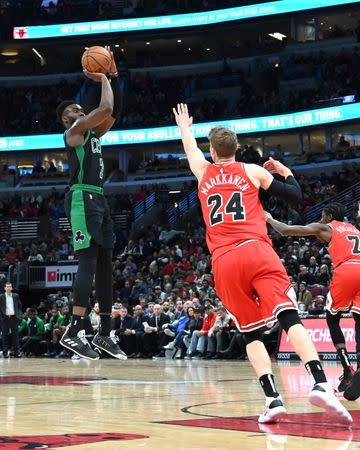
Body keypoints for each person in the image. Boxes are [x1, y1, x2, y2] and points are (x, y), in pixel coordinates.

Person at [173, 103, 351, 425]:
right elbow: (296, 197)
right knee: (288, 315)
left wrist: (185, 127)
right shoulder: (252, 171)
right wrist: (285, 171)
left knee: (250, 332)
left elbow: (189, 148)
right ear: (237, 149)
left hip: (225, 260)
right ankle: (321, 382)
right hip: (257, 249)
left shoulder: (203, 171)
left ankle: (272, 399)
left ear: (213, 151)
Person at [56, 46, 126, 361]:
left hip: (99, 198)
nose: (79, 108)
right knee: (87, 261)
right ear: (65, 118)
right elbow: (105, 105)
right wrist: (102, 77)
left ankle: (105, 333)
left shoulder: (94, 132)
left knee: (105, 264)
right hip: (81, 198)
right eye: (74, 107)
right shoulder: (74, 132)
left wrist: (114, 75)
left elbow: (114, 110)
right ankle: (74, 330)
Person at [266, 202, 360, 401]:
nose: (319, 219)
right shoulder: (355, 229)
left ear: (328, 215)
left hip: (348, 270)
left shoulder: (326, 227)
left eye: (322, 216)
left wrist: (268, 218)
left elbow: (285, 230)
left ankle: (348, 369)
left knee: (332, 318)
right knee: (358, 318)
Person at [0, 282, 22, 358]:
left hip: (14, 318)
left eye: (10, 286)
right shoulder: (1, 296)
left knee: (15, 336)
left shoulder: (16, 296)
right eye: (7, 287)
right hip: (5, 319)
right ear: (5, 288)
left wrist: (18, 315)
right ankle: (5, 353)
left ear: (12, 288)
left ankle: (17, 353)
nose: (9, 288)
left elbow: (19, 306)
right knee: (5, 337)